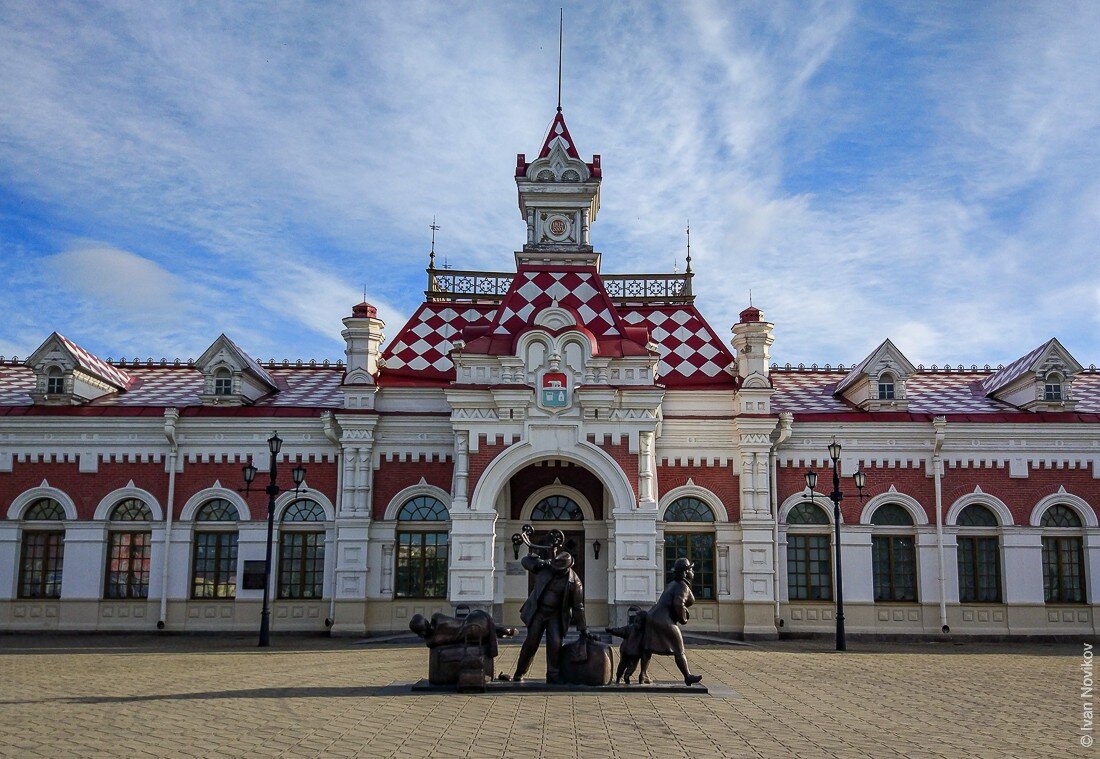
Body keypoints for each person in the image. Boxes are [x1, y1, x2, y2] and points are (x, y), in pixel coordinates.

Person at [508, 549, 587, 683]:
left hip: (555, 616)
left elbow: (578, 607)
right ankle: (519, 672)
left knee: (555, 644)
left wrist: (583, 629)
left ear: (567, 567)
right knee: (531, 643)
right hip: (538, 612)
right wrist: (543, 563)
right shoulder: (546, 569)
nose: (556, 570)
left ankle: (553, 675)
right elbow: (525, 561)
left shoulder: (574, 582)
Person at [640, 557, 703, 686]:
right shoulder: (682, 586)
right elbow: (678, 604)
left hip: (652, 615)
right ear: (686, 573)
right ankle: (687, 676)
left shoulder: (672, 584)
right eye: (691, 569)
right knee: (679, 648)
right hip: (663, 619)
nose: (693, 572)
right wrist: (683, 618)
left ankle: (643, 674)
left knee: (648, 647)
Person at [409, 609, 516, 659]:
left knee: (477, 630)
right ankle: (504, 631)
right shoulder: (437, 618)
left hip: (475, 630)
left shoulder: (432, 641)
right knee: (478, 627)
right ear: (426, 621)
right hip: (476, 621)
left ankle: (503, 632)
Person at [606, 606, 648, 684]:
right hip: (635, 652)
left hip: (625, 649)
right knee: (632, 665)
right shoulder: (645, 632)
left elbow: (620, 631)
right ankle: (627, 675)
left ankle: (618, 678)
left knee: (622, 663)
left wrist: (611, 630)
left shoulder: (630, 627)